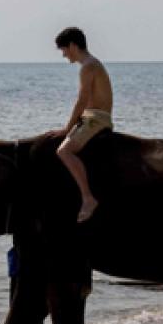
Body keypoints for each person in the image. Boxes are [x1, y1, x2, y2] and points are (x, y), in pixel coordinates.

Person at [52, 27, 114, 221]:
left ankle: (88, 198)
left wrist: (67, 128)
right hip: (92, 116)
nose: (64, 55)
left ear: (72, 45)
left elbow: (81, 100)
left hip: (96, 118)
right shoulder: (91, 64)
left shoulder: (88, 66)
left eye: (64, 49)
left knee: (64, 151)